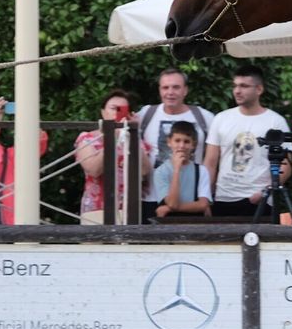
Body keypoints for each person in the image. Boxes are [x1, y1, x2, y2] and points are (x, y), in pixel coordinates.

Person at [205, 67, 292, 221]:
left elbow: (286, 164)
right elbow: (210, 163)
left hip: (260, 199)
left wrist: (265, 191)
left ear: (259, 89)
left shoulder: (275, 121)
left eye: (244, 86)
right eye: (235, 85)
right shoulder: (221, 119)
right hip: (224, 198)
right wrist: (206, 197)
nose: (237, 91)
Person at [137, 68, 217, 212]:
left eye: (176, 87)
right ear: (159, 90)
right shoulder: (146, 114)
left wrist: (207, 196)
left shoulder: (205, 118)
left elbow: (212, 160)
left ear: (185, 90)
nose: (170, 92)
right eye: (165, 87)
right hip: (152, 196)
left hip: (192, 200)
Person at [73, 90, 151, 224]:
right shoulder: (87, 138)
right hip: (96, 208)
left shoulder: (132, 139)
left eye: (122, 109)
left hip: (128, 209)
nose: (117, 113)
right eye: (113, 108)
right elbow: (94, 169)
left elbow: (144, 170)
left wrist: (134, 134)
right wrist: (112, 138)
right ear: (103, 112)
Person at [152, 121, 212, 220]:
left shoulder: (201, 170)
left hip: (195, 223)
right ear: (169, 142)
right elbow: (172, 203)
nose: (181, 146)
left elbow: (203, 205)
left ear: (193, 144)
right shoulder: (160, 172)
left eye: (186, 142)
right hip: (169, 224)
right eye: (177, 141)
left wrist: (169, 209)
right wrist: (177, 169)